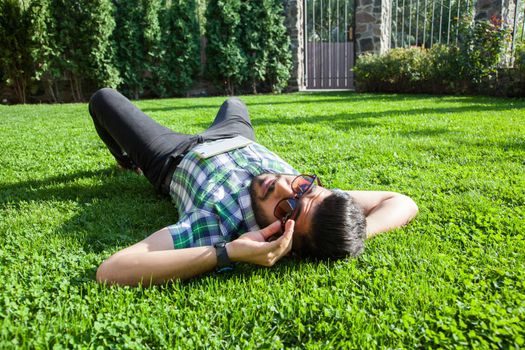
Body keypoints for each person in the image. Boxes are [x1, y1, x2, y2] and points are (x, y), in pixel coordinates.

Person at [89, 88, 418, 286]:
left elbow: (112, 270)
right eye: (304, 187)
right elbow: (401, 200)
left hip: (173, 155)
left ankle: (128, 162)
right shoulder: (320, 201)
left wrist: (226, 253)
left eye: (287, 209)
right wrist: (357, 231)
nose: (286, 187)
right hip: (234, 136)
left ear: (280, 236)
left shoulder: (219, 224)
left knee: (103, 99)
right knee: (234, 102)